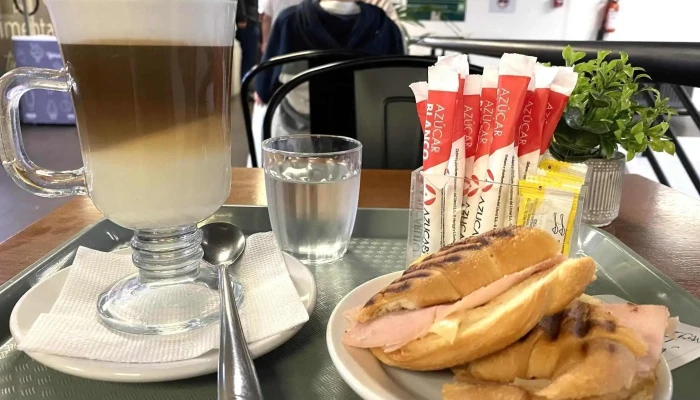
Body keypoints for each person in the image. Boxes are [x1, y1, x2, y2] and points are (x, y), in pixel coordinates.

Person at [255, 0, 404, 104]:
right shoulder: (386, 28)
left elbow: (264, 91)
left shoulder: (289, 22)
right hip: (368, 135)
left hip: (299, 139)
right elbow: (399, 88)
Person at [235, 0, 260, 81]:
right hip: (248, 21)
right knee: (249, 57)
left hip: (252, 19)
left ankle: (246, 85)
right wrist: (241, 17)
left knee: (251, 58)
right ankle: (245, 86)